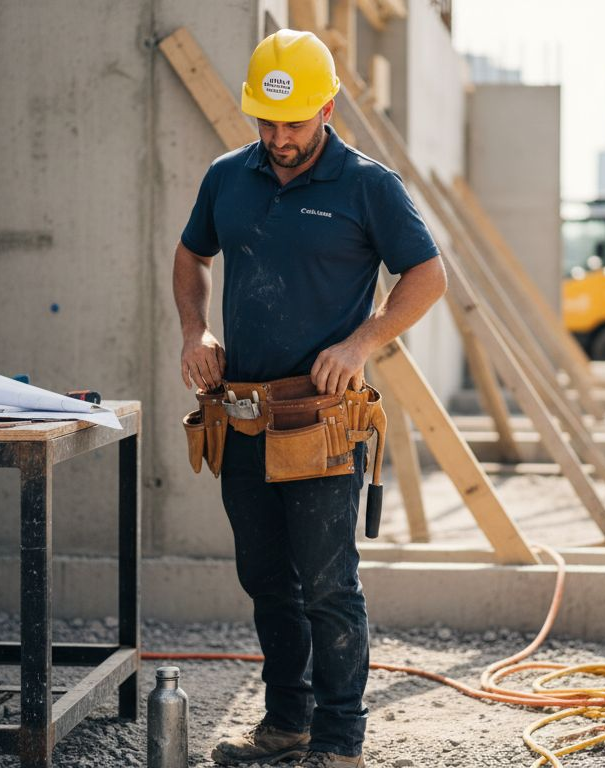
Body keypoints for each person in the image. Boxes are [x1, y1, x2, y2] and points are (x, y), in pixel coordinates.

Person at [171, 28, 447, 768]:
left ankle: (338, 741)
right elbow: (192, 254)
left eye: (293, 123)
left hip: (322, 422)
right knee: (267, 581)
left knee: (328, 586)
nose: (278, 138)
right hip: (242, 415)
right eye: (266, 122)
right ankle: (287, 723)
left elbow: (427, 275)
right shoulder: (228, 177)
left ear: (327, 109)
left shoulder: (368, 186)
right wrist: (197, 331)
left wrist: (361, 343)